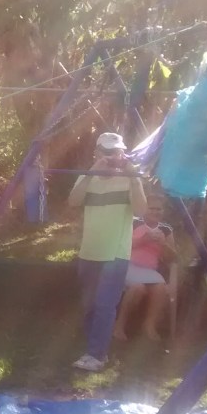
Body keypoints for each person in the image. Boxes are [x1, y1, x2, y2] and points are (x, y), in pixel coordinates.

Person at [69, 131, 147, 372]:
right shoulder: (87, 177)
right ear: (97, 153)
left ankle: (97, 354)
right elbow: (73, 201)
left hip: (115, 253)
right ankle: (93, 348)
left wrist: (134, 178)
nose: (114, 157)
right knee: (90, 305)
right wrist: (92, 172)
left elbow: (141, 210)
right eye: (108, 153)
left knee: (105, 304)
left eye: (118, 152)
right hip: (89, 251)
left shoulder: (130, 179)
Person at [113, 195, 176, 342]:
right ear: (144, 209)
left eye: (159, 209)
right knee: (137, 288)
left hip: (150, 270)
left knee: (161, 288)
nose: (155, 212)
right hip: (128, 266)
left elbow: (172, 257)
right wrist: (144, 240)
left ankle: (149, 325)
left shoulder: (166, 230)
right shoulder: (133, 223)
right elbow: (120, 246)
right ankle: (119, 325)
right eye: (151, 208)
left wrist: (163, 244)